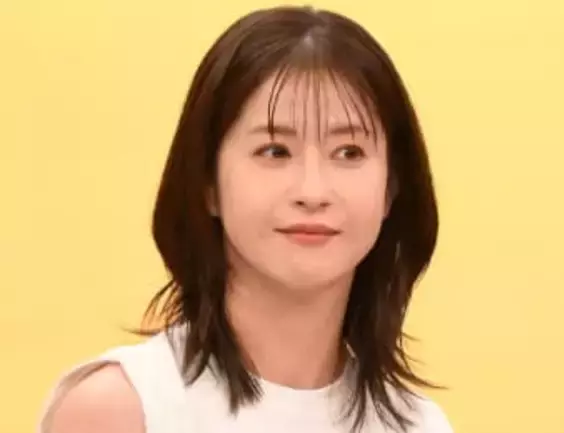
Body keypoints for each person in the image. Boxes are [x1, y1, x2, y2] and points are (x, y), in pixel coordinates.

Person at [39, 5, 453, 433]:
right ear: (207, 182)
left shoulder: (418, 425)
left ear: (391, 188)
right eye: (274, 151)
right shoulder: (121, 408)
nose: (313, 192)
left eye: (349, 152)